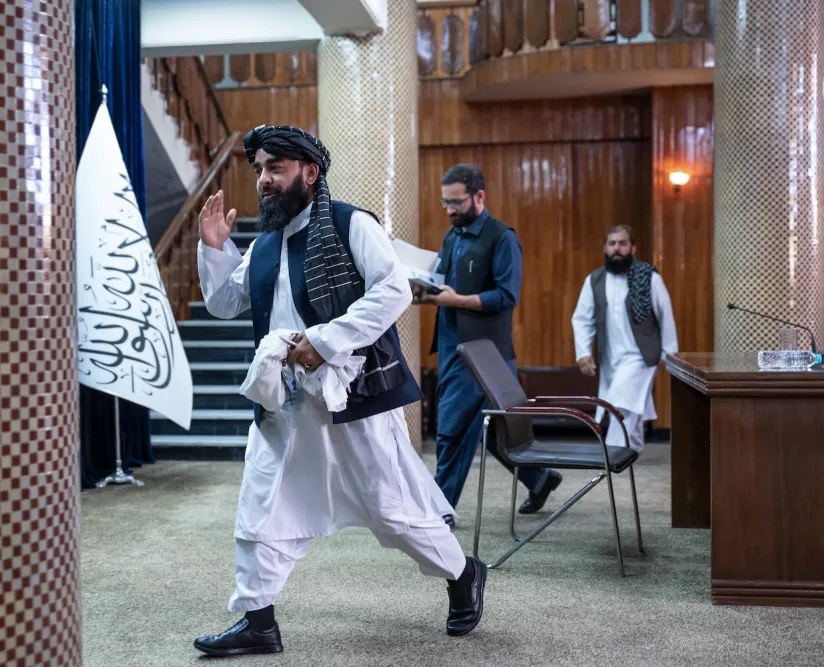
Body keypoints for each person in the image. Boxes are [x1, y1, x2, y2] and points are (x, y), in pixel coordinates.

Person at [192, 125, 487, 658]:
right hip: (284, 407)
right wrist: (214, 249)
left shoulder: (352, 224)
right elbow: (225, 303)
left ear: (310, 172)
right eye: (259, 170)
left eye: (275, 168)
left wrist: (324, 341)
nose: (263, 179)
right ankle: (258, 621)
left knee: (393, 511)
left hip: (352, 399)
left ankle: (463, 574)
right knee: (260, 510)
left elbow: (392, 291)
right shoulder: (264, 244)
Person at [413, 164, 562, 527]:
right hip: (452, 348)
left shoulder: (502, 237)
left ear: (479, 196)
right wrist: (424, 293)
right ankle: (540, 479)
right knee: (497, 434)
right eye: (445, 202)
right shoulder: (451, 237)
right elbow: (443, 286)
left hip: (484, 353)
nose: (449, 210)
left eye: (456, 202)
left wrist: (456, 300)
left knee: (452, 429)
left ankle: (439, 511)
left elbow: (506, 295)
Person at [571, 225, 679, 453]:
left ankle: (612, 454)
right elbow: (582, 319)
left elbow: (665, 315)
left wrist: (668, 353)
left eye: (622, 243)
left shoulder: (649, 278)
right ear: (605, 248)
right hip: (610, 359)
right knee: (629, 404)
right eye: (612, 244)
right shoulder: (595, 280)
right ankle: (633, 449)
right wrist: (583, 353)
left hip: (641, 356)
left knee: (621, 403)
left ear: (633, 248)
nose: (617, 248)